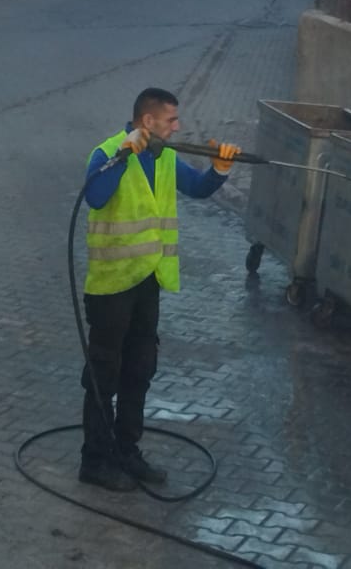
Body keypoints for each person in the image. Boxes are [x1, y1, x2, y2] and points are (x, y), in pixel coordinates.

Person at [77, 87, 239, 492]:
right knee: (104, 373)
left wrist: (219, 170)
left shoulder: (165, 157)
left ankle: (127, 451)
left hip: (148, 283)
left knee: (139, 370)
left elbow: (197, 187)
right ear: (147, 122)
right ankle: (95, 460)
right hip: (112, 287)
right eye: (171, 120)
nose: (178, 127)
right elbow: (95, 198)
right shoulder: (106, 152)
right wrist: (125, 154)